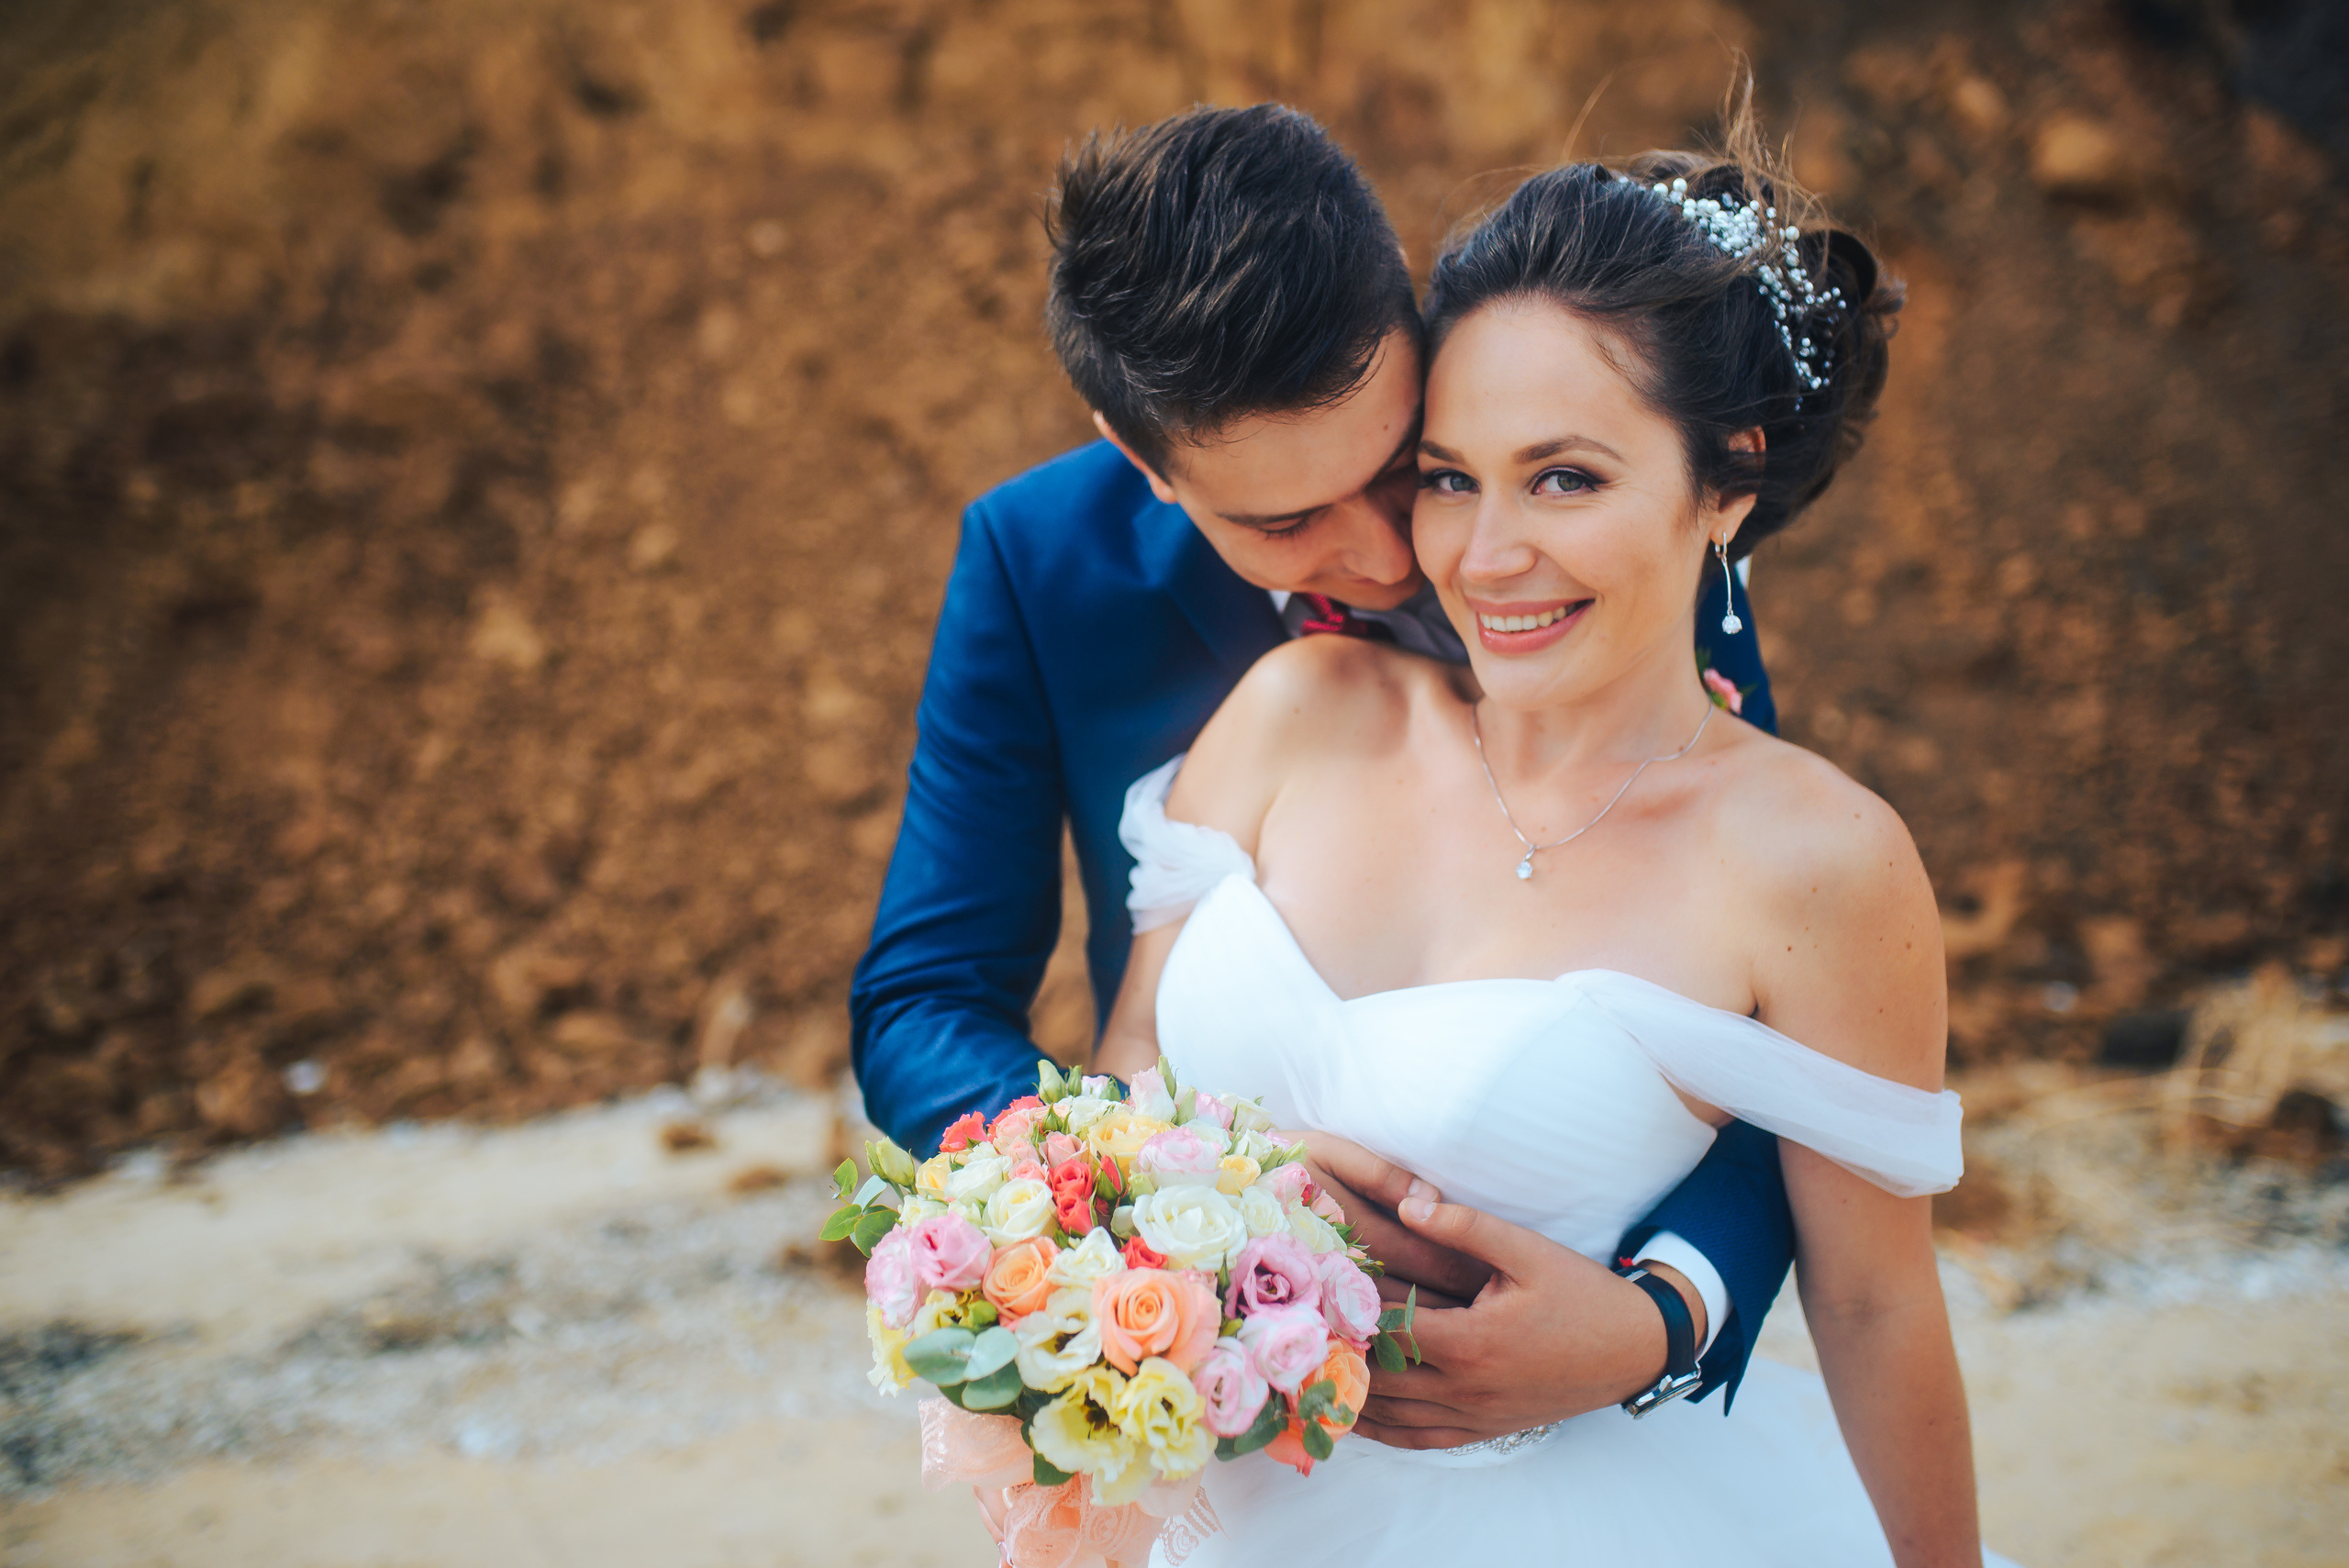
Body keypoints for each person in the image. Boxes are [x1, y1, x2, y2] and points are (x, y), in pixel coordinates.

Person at [1093, 125, 2013, 1564]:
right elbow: (1126, 1069)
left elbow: (1878, 1301)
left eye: (1566, 478)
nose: (1479, 552)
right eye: (1450, 476)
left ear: (1727, 483)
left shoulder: (1818, 861)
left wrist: (1660, 1322)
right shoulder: (1295, 713)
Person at [851, 104, 1796, 1442]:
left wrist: (1663, 1311)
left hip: (1576, 1394)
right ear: (1147, 463)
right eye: (1286, 521)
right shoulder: (1037, 563)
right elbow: (924, 997)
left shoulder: (1593, 512)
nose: (1392, 553)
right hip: (1229, 1390)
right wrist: (1146, 1198)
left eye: (1405, 465)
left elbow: (1783, 981)